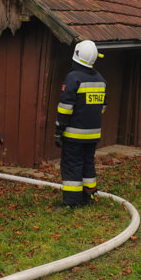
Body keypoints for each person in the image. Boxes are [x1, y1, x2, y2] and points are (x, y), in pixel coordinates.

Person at [55, 40, 107, 207]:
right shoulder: (101, 79)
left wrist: (58, 130)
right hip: (93, 134)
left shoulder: (72, 78)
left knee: (72, 165)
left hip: (74, 134)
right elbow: (103, 107)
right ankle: (89, 196)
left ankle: (71, 202)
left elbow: (65, 108)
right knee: (88, 164)